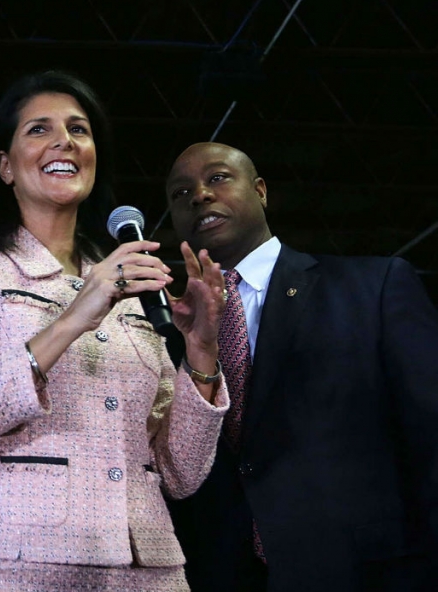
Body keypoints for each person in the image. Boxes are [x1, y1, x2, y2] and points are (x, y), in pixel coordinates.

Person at [0, 71, 230, 591]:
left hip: (149, 570)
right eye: (38, 129)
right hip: (7, 567)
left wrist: (202, 351)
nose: (65, 141)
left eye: (79, 129)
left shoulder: (131, 278)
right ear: (5, 166)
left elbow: (180, 473)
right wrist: (74, 317)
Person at [164, 141, 438, 592]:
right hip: (221, 574)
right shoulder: (170, 330)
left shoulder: (373, 287)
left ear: (261, 191)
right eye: (180, 194)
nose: (199, 196)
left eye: (217, 178)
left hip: (368, 570)